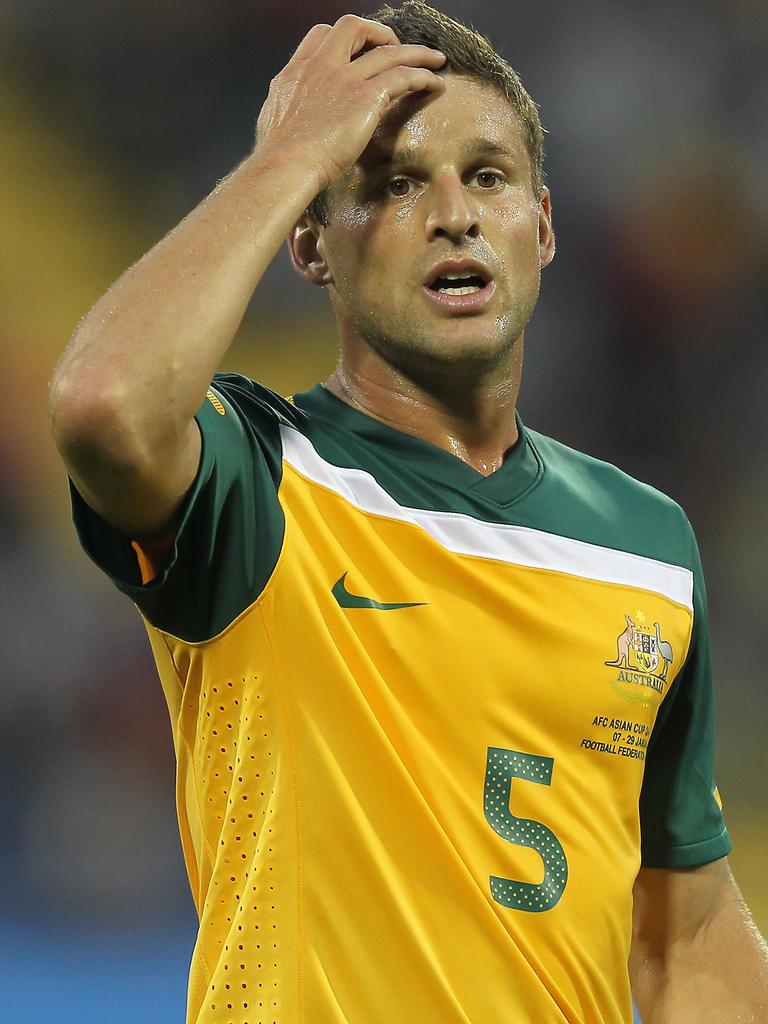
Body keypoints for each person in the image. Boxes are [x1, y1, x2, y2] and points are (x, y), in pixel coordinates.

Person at [49, 3, 767, 1022]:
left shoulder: (644, 542)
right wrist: (286, 157)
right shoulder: (260, 481)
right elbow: (103, 405)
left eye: (487, 175)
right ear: (311, 247)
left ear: (544, 225)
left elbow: (685, 929)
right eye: (391, 184)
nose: (454, 213)